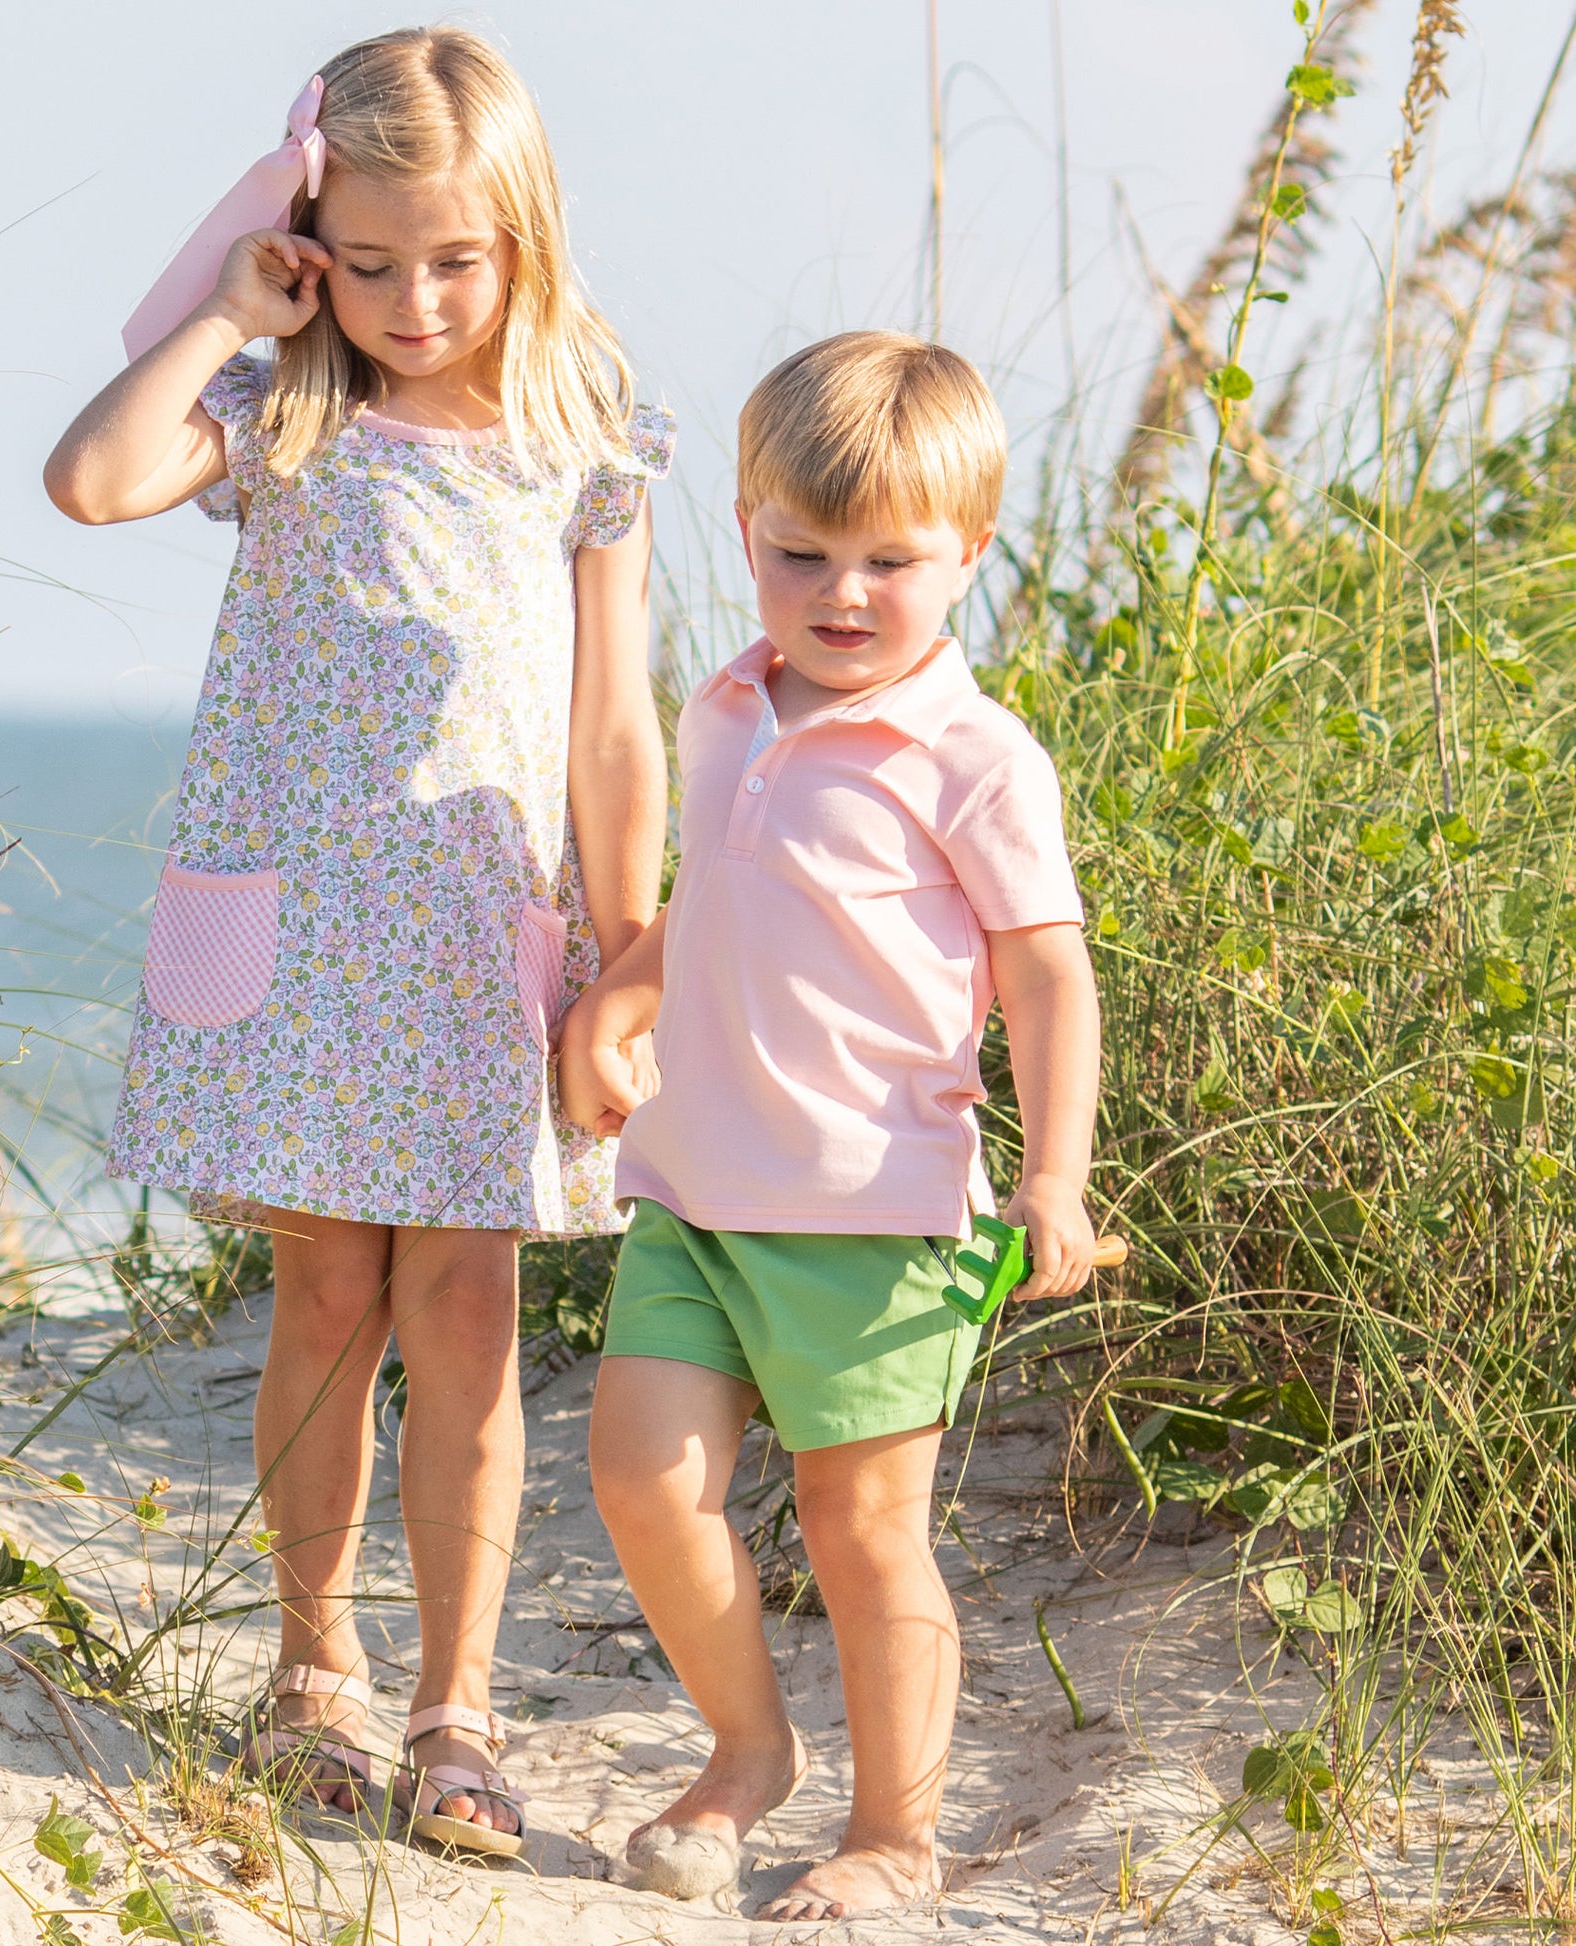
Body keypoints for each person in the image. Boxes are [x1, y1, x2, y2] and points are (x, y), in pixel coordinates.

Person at [44, 26, 671, 1856]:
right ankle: (313, 1661)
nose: (411, 299)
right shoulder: (285, 408)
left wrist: (621, 953)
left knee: (467, 1308)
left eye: (454, 262)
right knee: (326, 1290)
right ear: (318, 235)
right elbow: (90, 482)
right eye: (370, 259)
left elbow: (614, 727)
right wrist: (235, 307)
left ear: (525, 240)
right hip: (304, 938)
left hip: (484, 935)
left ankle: (453, 1700)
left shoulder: (589, 432)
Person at [559, 331, 1101, 1918]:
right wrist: (619, 999)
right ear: (744, 532)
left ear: (969, 554)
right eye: (801, 553)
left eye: (890, 561)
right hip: (692, 1198)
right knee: (641, 1480)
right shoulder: (727, 707)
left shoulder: (972, 757)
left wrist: (1056, 1172)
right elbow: (711, 908)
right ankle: (746, 1751)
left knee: (863, 1531)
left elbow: (1046, 974)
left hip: (876, 1214)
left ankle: (893, 1831)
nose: (842, 592)